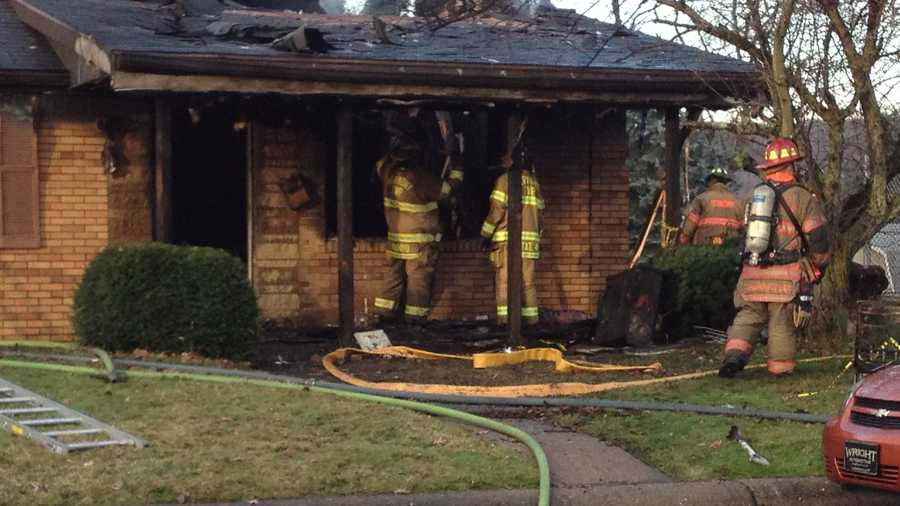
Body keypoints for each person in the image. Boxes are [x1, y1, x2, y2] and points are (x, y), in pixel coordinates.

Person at [719, 138, 831, 378]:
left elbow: (739, 228)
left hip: (752, 270)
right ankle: (780, 371)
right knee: (781, 321)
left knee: (748, 315)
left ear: (768, 168)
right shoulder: (803, 198)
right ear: (791, 166)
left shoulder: (754, 196)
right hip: (785, 274)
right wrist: (820, 264)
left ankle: (733, 358)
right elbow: (818, 237)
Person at [373, 112, 464, 324]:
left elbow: (382, 161)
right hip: (419, 242)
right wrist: (457, 166)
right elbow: (448, 190)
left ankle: (383, 315)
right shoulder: (420, 178)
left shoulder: (386, 171)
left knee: (392, 279)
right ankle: (414, 323)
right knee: (418, 282)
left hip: (396, 240)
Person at [480, 136, 545, 326]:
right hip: (530, 243)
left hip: (507, 242)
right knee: (528, 283)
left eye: (506, 157)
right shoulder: (534, 183)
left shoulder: (504, 180)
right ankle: (532, 321)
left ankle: (505, 323)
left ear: (514, 160)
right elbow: (541, 214)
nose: (502, 160)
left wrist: (485, 234)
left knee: (504, 282)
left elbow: (497, 211)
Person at [678, 167, 744, 246]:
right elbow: (743, 225)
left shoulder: (701, 198)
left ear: (712, 180)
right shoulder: (737, 201)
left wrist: (685, 236)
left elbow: (692, 221)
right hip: (729, 243)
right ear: (726, 182)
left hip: (704, 242)